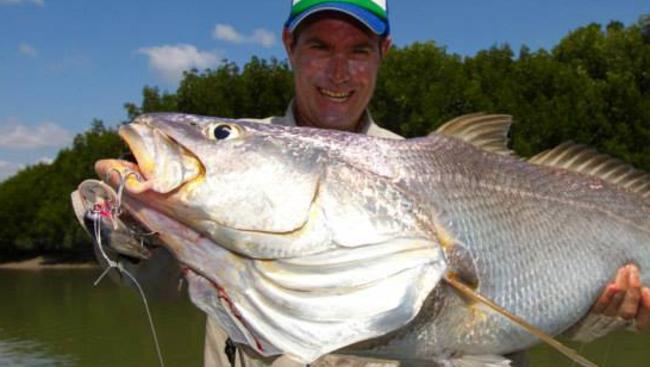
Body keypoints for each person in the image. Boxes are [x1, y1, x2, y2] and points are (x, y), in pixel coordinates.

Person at [203, 1, 650, 366]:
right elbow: (157, 279)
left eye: (358, 50)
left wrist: (596, 313)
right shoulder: (233, 160)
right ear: (289, 45)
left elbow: (503, 321)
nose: (338, 72)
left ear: (384, 52)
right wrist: (133, 230)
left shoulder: (422, 163)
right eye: (320, 46)